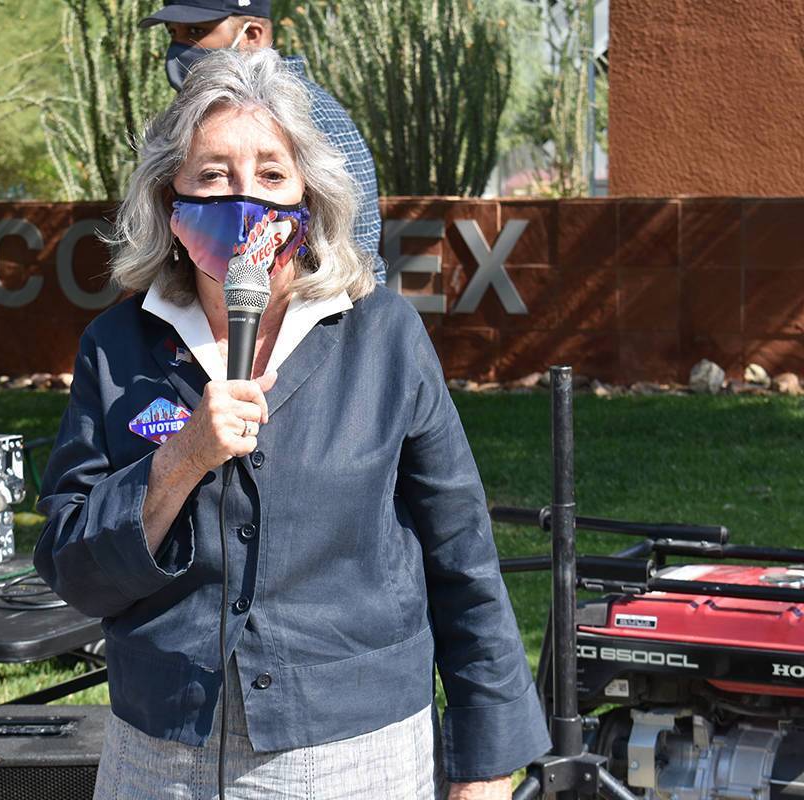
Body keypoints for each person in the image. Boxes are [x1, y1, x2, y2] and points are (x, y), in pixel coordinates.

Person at [35, 49, 549, 800]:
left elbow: (461, 553)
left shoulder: (383, 338)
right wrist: (177, 461)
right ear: (170, 206)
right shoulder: (118, 347)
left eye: (272, 175)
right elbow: (72, 564)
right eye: (212, 176)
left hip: (352, 753)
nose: (245, 200)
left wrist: (486, 763)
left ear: (311, 195)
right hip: (159, 754)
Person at [140, 0, 389, 285]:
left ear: (251, 35)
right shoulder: (212, 112)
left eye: (196, 30)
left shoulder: (298, 115)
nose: (181, 48)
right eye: (173, 33)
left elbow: (351, 253)